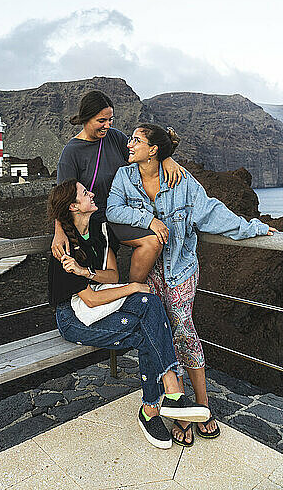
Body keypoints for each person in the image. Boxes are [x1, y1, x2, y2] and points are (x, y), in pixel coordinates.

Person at [106, 123, 277, 446]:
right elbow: (114, 209)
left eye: (136, 140)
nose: (129, 145)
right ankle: (180, 411)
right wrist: (149, 220)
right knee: (162, 335)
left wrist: (253, 227)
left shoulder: (181, 180)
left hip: (181, 270)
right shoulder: (124, 178)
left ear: (153, 150)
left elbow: (211, 212)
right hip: (148, 271)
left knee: (184, 331)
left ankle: (204, 405)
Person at [47, 178, 211, 449]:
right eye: (84, 193)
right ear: (74, 206)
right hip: (74, 319)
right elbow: (90, 299)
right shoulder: (63, 248)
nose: (91, 194)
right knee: (146, 324)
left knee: (150, 303)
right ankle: (155, 405)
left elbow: (111, 276)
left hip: (100, 302)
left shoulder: (100, 230)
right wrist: (133, 286)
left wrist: (86, 272)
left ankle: (165, 398)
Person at [53, 91, 186, 282]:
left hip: (120, 216)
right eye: (102, 121)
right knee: (103, 277)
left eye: (110, 119)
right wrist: (59, 232)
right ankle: (127, 293)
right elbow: (62, 198)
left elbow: (142, 153)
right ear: (86, 118)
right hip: (94, 224)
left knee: (153, 241)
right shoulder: (71, 153)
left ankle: (133, 291)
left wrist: (167, 159)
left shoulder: (114, 137)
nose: (108, 125)